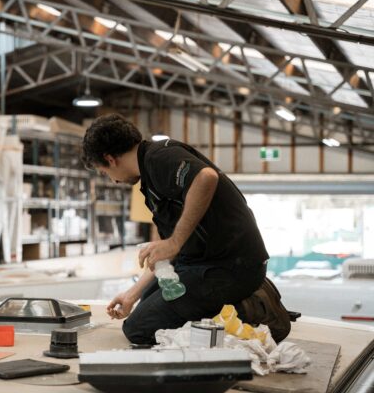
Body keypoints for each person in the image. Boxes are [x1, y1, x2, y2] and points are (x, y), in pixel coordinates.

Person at [81, 113, 291, 344]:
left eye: (104, 172)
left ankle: (248, 308)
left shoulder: (159, 157)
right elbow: (169, 252)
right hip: (201, 264)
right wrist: (132, 295)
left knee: (139, 330)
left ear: (110, 159)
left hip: (229, 269)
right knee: (148, 306)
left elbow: (206, 177)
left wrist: (173, 243)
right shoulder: (151, 175)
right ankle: (229, 300)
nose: (113, 180)